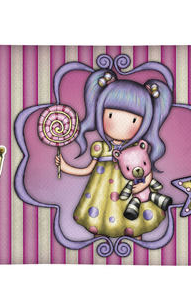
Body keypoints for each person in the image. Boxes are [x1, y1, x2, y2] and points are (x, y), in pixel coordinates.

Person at [55, 67, 173, 238]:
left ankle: (137, 244)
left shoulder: (137, 149)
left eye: (133, 120)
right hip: (101, 197)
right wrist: (65, 167)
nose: (120, 125)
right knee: (99, 226)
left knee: (135, 226)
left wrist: (144, 184)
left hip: (130, 193)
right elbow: (88, 170)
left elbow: (147, 171)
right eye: (110, 115)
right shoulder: (99, 147)